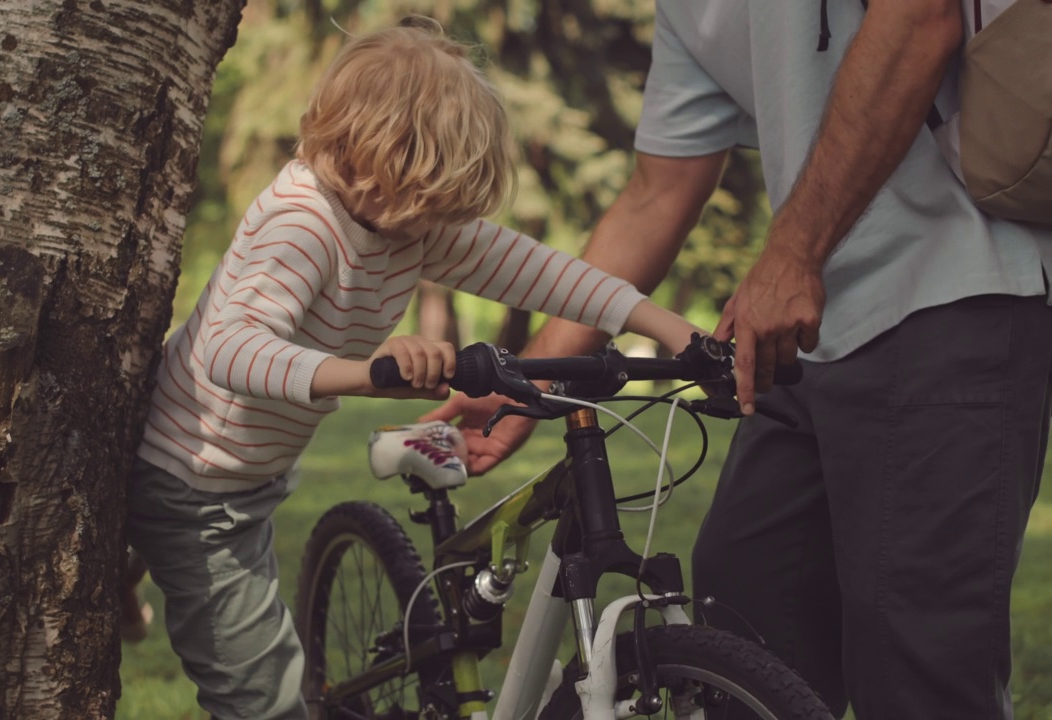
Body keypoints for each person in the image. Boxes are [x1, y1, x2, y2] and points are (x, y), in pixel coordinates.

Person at [424, 2, 1052, 718]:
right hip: (810, 331)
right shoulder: (689, 12)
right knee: (747, 593)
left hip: (956, 295)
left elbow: (920, 16)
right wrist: (530, 378)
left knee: (916, 662)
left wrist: (792, 254)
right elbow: (656, 196)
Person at [125, 17, 705, 720]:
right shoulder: (304, 224)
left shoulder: (401, 224)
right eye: (433, 200)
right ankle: (124, 559)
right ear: (384, 165)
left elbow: (548, 276)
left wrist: (684, 336)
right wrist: (369, 369)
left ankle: (121, 562)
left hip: (249, 472)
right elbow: (231, 350)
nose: (441, 224)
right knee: (263, 696)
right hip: (195, 482)